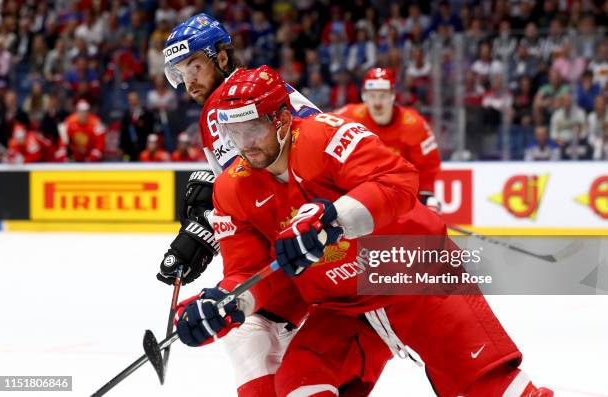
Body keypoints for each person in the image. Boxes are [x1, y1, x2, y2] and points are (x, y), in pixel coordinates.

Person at [174, 66, 553, 397]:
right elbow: (252, 271)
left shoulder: (326, 136)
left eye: (253, 127)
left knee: (489, 387)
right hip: (343, 305)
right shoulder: (231, 188)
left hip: (414, 275)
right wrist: (228, 303)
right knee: (300, 381)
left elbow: (399, 179)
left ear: (282, 120)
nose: (244, 144)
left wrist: (334, 218)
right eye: (232, 131)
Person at [157, 13, 320, 396]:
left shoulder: (225, 107)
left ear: (222, 58)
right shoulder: (256, 90)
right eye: (180, 72)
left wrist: (208, 226)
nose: (188, 80)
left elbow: (260, 188)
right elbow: (250, 182)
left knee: (246, 331)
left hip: (303, 247)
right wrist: (209, 209)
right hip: (307, 237)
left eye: (194, 65)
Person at [335, 68, 441, 211]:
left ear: (392, 95)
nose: (377, 103)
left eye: (383, 95)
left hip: (400, 199)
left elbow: (428, 166)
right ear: (364, 96)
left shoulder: (414, 124)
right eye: (372, 96)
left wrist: (426, 196)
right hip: (357, 198)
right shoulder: (347, 118)